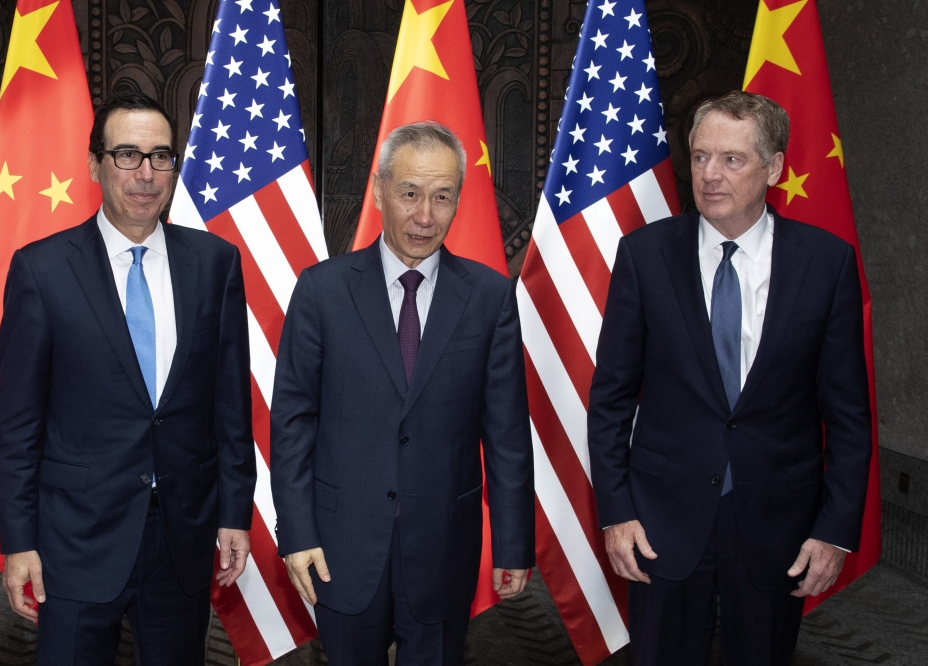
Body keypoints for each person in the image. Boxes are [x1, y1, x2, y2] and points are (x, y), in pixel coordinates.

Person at [588, 91, 871, 665]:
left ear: (775, 167)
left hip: (777, 524)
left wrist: (836, 529)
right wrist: (616, 513)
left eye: (732, 159)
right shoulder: (645, 255)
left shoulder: (826, 263)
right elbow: (611, 397)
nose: (710, 175)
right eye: (699, 157)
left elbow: (847, 414)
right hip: (662, 523)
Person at [0, 91, 256, 665]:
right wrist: (19, 542)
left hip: (182, 538)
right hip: (75, 542)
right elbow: (16, 424)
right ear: (94, 165)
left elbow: (231, 405)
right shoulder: (42, 270)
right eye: (127, 155)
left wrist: (236, 514)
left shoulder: (216, 263)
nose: (145, 174)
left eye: (161, 156)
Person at [270, 121, 535, 665]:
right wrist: (295, 532)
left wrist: (514, 542)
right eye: (410, 193)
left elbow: (506, 432)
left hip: (443, 546)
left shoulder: (489, 297)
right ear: (379, 189)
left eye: (442, 197)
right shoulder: (321, 291)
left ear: (459, 200)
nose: (424, 215)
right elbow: (294, 422)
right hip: (339, 547)